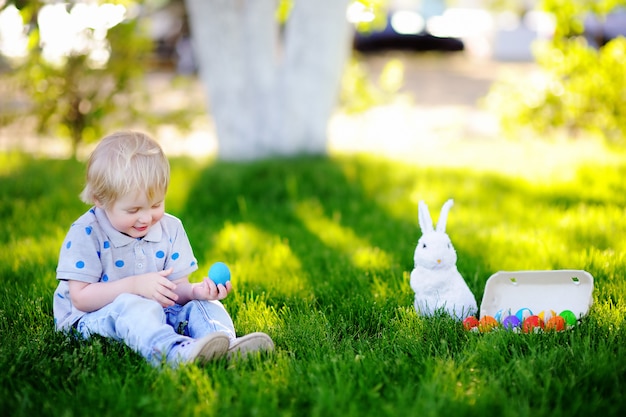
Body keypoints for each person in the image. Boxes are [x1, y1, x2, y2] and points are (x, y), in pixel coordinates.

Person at [53, 131, 274, 366]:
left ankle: (225, 346)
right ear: (100, 199)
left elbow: (176, 291)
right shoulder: (87, 232)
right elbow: (80, 298)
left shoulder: (170, 228)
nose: (146, 218)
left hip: (157, 311)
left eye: (156, 204)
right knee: (132, 306)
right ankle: (173, 353)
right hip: (94, 316)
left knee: (203, 305)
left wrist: (195, 292)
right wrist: (136, 286)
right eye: (133, 210)